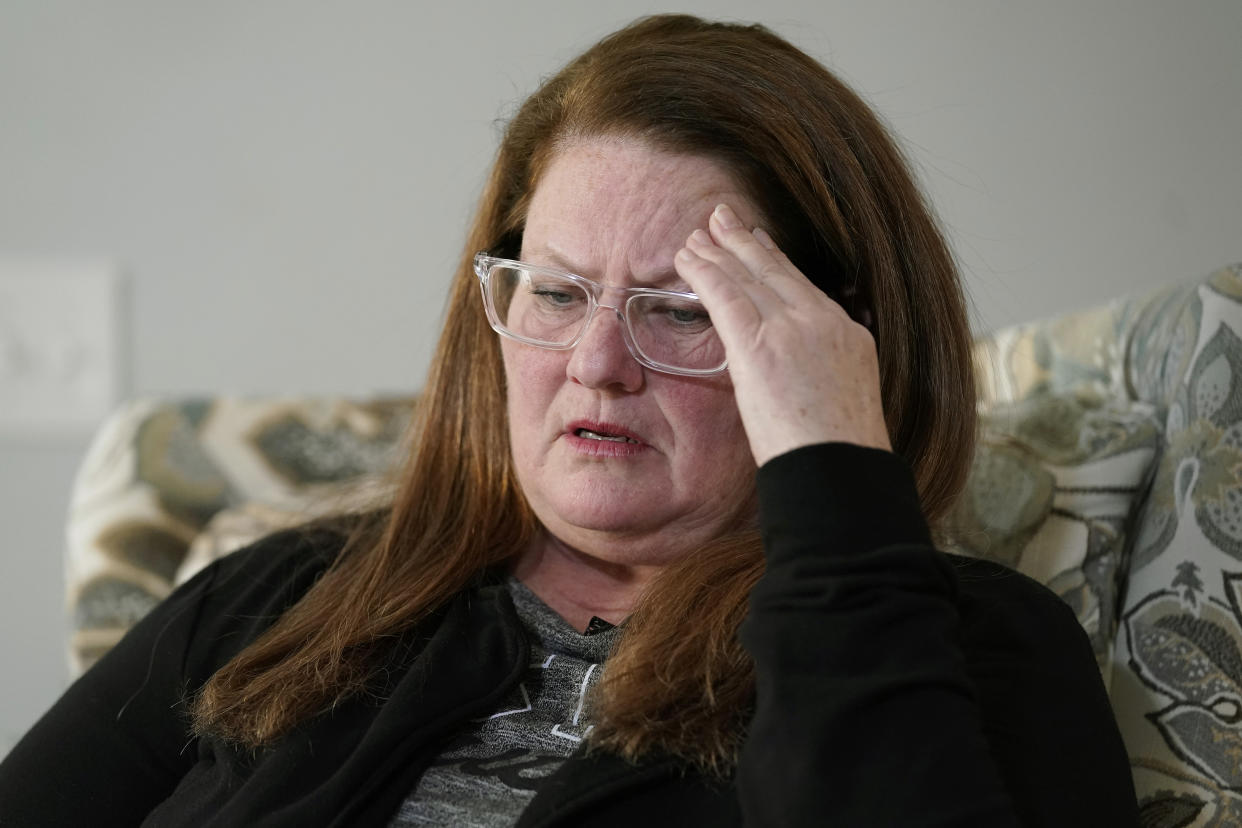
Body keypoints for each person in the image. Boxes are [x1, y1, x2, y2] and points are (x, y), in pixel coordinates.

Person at [0, 14, 1136, 827]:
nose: (596, 365)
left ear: (823, 343)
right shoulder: (284, 596)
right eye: (553, 291)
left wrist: (835, 473)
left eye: (682, 310)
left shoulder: (972, 651)